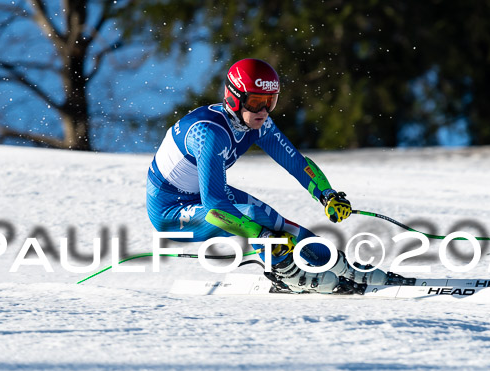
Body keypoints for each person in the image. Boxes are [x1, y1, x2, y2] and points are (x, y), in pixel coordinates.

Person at [146, 58, 400, 293]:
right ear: (234, 98)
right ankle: (287, 273)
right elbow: (214, 207)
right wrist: (262, 237)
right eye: (257, 101)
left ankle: (340, 266)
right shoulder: (209, 134)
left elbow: (295, 162)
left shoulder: (258, 122)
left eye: (271, 101)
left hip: (201, 195)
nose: (265, 110)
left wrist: (327, 195)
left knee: (276, 221)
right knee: (258, 220)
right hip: (171, 211)